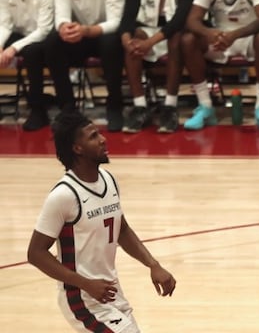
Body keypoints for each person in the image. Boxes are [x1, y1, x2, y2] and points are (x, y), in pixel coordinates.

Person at [26, 110, 177, 332]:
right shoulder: (64, 195)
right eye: (93, 136)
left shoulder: (108, 179)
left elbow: (122, 229)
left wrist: (153, 264)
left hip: (109, 291)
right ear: (77, 149)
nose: (103, 139)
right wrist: (85, 283)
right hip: (81, 298)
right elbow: (35, 253)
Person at [181, 0, 259, 131]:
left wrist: (235, 35)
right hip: (221, 40)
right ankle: (205, 106)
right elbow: (192, 20)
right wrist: (209, 33)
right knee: (188, 40)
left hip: (247, 37)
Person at [44, 0, 127, 131]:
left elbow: (115, 22)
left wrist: (86, 30)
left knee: (111, 43)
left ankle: (114, 106)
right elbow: (61, 13)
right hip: (79, 35)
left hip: (104, 34)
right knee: (52, 42)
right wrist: (65, 27)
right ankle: (67, 108)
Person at [119, 0, 197, 134]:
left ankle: (170, 106)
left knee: (176, 39)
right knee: (133, 41)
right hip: (147, 28)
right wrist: (126, 39)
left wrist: (150, 42)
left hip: (172, 31)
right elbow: (128, 14)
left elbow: (179, 20)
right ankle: (140, 106)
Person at [0, 0, 53, 131]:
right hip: (21, 35)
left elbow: (44, 29)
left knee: (32, 52)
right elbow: (5, 25)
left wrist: (13, 48)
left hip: (45, 39)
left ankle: (38, 110)